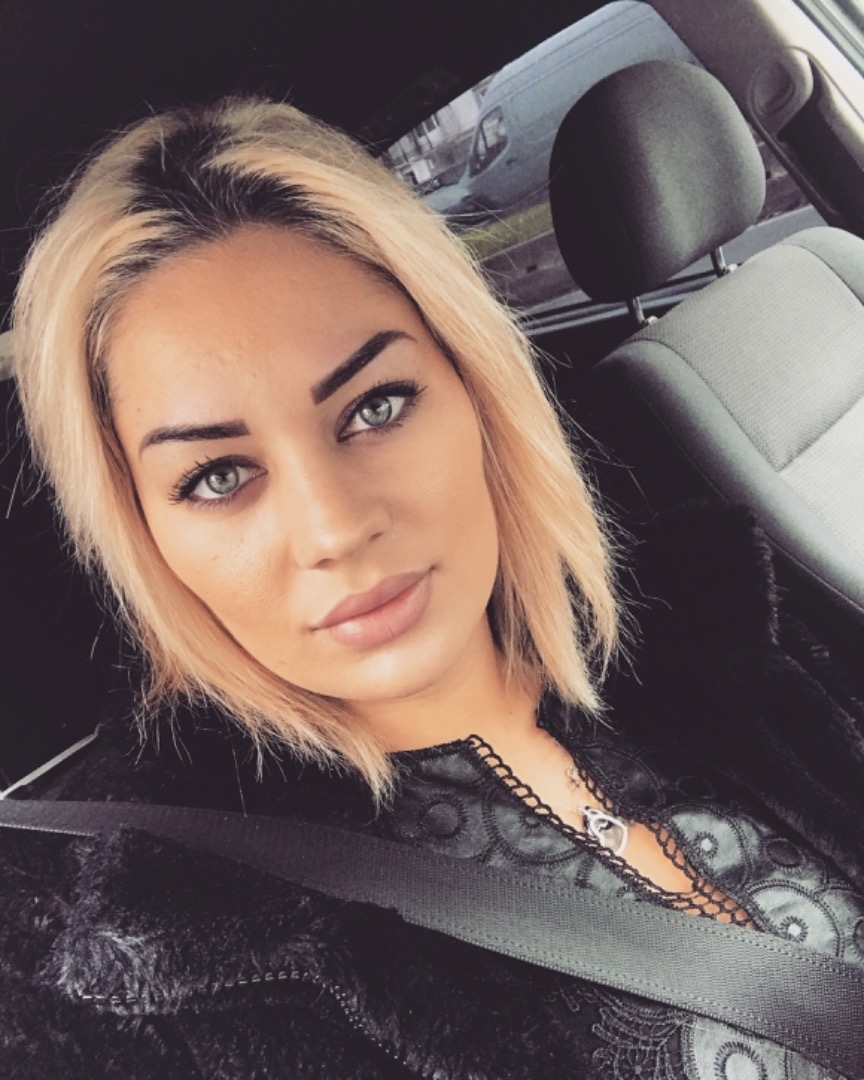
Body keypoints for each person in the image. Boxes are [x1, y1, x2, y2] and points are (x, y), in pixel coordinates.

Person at [3, 95, 864, 1079]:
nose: (336, 528)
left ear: (476, 388)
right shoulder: (146, 972)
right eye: (218, 476)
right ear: (143, 533)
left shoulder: (721, 619)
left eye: (375, 406)